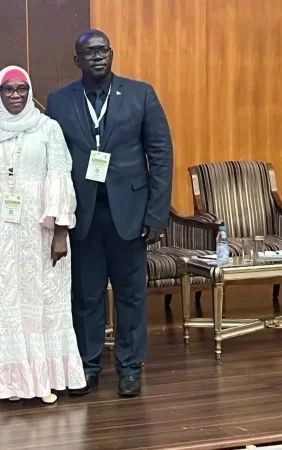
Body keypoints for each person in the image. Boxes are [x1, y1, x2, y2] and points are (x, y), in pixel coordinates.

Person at [44, 30, 173, 397]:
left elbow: (161, 155)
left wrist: (157, 214)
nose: (98, 57)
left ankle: (130, 367)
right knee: (86, 296)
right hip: (82, 216)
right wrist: (56, 218)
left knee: (131, 295)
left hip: (130, 215)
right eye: (89, 52)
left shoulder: (140, 94)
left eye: (103, 50)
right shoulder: (59, 101)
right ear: (77, 60)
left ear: (112, 54)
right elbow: (53, 162)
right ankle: (88, 365)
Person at [0, 65, 86, 404]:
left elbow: (60, 176)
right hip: (0, 232)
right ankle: (10, 382)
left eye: (22, 89)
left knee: (45, 300)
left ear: (30, 90)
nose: (16, 95)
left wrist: (61, 231)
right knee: (4, 299)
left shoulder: (48, 128)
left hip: (42, 229)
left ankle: (48, 378)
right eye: (9, 89)